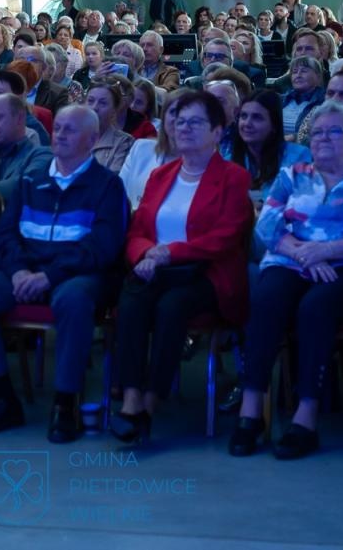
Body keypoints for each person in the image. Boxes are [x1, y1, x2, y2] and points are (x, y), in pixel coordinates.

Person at [229, 101, 343, 460]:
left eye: (334, 131)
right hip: (291, 261)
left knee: (316, 307)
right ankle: (251, 410)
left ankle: (306, 417)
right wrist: (305, 253)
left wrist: (325, 251)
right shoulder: (293, 175)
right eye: (316, 132)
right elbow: (268, 224)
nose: (322, 138)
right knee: (266, 298)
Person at [0, 105, 128, 442]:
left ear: (92, 139)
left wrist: (50, 276)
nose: (60, 134)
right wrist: (19, 271)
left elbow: (102, 248)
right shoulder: (30, 180)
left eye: (70, 130)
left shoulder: (108, 186)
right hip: (26, 269)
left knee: (74, 301)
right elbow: (5, 236)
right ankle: (5, 398)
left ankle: (65, 402)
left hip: (79, 275)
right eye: (58, 127)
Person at [109, 91, 252, 445]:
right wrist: (145, 255)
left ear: (218, 132)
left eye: (196, 122)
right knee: (131, 300)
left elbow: (226, 237)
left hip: (208, 274)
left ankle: (151, 399)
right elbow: (139, 228)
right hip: (156, 269)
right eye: (180, 121)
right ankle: (130, 396)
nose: (184, 127)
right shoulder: (161, 175)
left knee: (172, 306)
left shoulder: (233, 177)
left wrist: (169, 253)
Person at [230, 90, 312, 199]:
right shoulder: (229, 158)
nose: (247, 123)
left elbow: (300, 204)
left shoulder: (298, 157)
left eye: (257, 117)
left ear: (274, 125)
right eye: (243, 116)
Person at [85, 82, 135, 174]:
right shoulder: (70, 135)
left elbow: (111, 182)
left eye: (102, 103)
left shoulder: (124, 142)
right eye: (90, 101)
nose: (94, 107)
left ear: (114, 110)